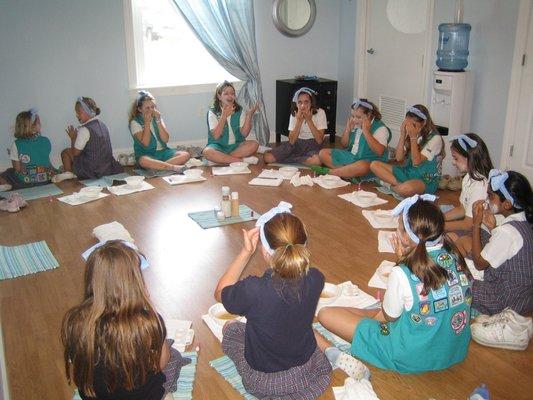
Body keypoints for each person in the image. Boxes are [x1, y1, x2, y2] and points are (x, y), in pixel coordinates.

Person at [214, 202, 368, 399]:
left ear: (264, 252)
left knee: (230, 328)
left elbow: (220, 293)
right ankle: (330, 350)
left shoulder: (252, 290)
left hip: (265, 382)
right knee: (297, 324)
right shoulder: (316, 278)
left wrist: (245, 253)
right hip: (309, 369)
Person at [318, 195, 472, 373]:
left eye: (399, 227)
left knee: (326, 314)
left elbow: (390, 317)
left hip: (410, 356)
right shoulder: (453, 254)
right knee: (373, 312)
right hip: (453, 350)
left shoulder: (401, 273)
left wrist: (400, 264)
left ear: (406, 237)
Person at [61, 241, 190, 400]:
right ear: (135, 282)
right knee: (173, 355)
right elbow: (160, 364)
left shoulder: (74, 321)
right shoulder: (147, 322)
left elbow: (80, 367)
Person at [468, 170, 533, 317]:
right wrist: (493, 227)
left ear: (507, 204)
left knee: (459, 283)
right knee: (485, 237)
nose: (486, 199)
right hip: (525, 297)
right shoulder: (525, 220)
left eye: (490, 195)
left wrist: (476, 224)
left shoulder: (507, 232)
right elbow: (512, 245)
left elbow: (479, 263)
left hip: (505, 301)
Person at [370, 105, 444, 196]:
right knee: (374, 165)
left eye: (413, 125)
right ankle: (398, 186)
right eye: (407, 124)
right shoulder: (411, 134)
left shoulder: (435, 138)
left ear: (424, 122)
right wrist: (402, 134)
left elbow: (416, 162)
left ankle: (391, 186)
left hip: (424, 180)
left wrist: (413, 137)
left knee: (405, 189)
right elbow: (398, 158)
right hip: (408, 172)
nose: (409, 128)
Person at [313, 98, 391, 180]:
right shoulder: (356, 124)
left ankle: (332, 172)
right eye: (353, 116)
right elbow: (344, 144)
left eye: (358, 117)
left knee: (363, 166)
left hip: (367, 162)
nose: (355, 120)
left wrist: (366, 132)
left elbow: (380, 152)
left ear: (368, 115)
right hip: (352, 157)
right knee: (323, 153)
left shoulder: (380, 128)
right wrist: (348, 130)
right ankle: (347, 174)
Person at [59, 97, 123, 179]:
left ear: (87, 112)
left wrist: (73, 138)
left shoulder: (84, 130)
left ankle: (69, 174)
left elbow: (75, 153)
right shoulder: (103, 125)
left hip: (91, 171)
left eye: (78, 112)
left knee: (65, 152)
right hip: (107, 168)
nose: (77, 115)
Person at [444, 133, 493, 237]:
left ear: (469, 158)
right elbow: (462, 209)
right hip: (471, 223)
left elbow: (468, 224)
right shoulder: (467, 177)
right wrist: (440, 217)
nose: (453, 162)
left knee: (447, 236)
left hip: (481, 230)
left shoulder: (480, 185)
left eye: (456, 158)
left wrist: (440, 225)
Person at [129, 90, 190, 171]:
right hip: (146, 154)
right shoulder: (135, 122)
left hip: (163, 152)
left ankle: (159, 167)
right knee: (143, 161)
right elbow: (146, 144)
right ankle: (170, 167)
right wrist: (147, 122)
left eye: (153, 107)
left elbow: (165, 139)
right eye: (147, 108)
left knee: (185, 155)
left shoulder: (157, 118)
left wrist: (158, 121)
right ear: (140, 109)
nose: (151, 110)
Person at [263, 88, 327, 166]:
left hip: (314, 145)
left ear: (311, 102)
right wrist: (299, 121)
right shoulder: (294, 114)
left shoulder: (320, 112)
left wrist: (309, 120)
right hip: (297, 143)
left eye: (306, 102)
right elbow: (292, 141)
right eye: (300, 102)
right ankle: (301, 159)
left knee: (317, 161)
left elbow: (319, 140)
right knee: (267, 158)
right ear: (296, 104)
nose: (303, 105)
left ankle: (291, 159)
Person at [203, 81, 259, 165]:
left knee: (254, 144)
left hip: (236, 146)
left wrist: (249, 115)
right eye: (226, 94)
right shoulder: (212, 112)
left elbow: (244, 134)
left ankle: (220, 160)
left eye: (232, 93)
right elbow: (216, 135)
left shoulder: (239, 110)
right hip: (218, 146)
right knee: (207, 152)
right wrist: (224, 116)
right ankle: (242, 161)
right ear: (219, 96)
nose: (230, 96)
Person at [0, 108, 55, 191]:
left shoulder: (16, 144)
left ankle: (5, 185)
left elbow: (17, 168)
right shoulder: (46, 140)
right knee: (51, 169)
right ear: (33, 126)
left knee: (8, 172)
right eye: (39, 123)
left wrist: (13, 154)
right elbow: (43, 159)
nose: (41, 124)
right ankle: (57, 175)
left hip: (25, 182)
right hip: (45, 180)